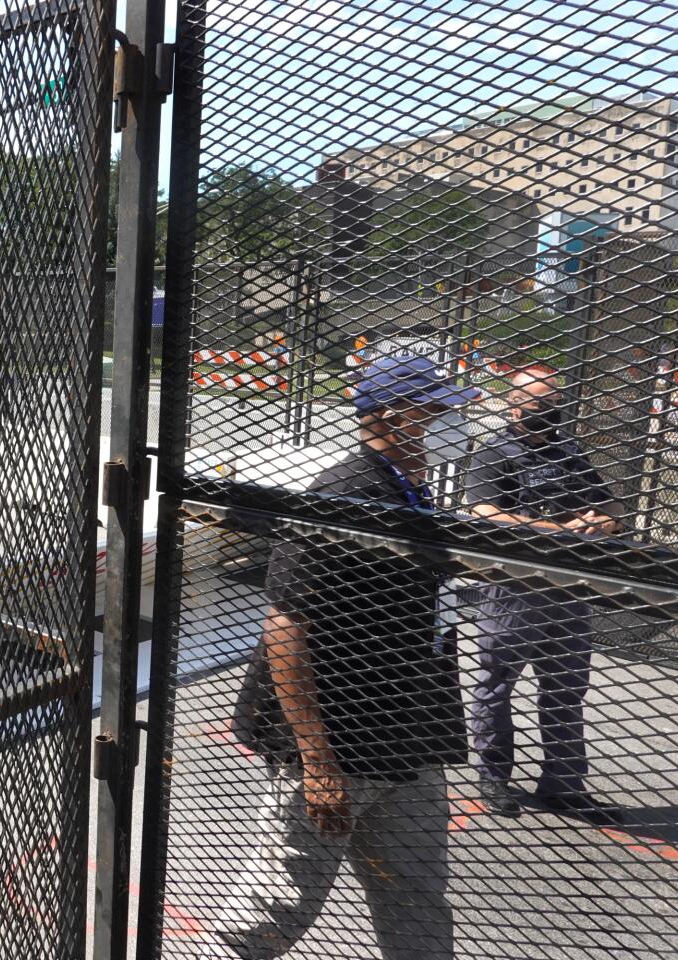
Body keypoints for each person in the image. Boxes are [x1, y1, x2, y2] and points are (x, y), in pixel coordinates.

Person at [220, 354, 477, 960]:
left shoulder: (411, 491)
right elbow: (285, 627)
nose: (450, 423)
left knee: (416, 898)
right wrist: (318, 764)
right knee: (277, 906)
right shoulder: (345, 494)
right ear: (394, 416)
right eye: (436, 410)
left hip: (406, 738)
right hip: (340, 743)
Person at [462, 366, 625, 826]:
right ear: (514, 405)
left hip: (568, 589)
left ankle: (564, 785)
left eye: (552, 404)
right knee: (497, 684)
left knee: (567, 690)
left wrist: (602, 523)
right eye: (537, 404)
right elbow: (485, 513)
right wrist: (557, 531)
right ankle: (494, 777)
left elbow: (611, 504)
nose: (545, 412)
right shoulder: (496, 450)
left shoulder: (567, 450)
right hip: (514, 588)